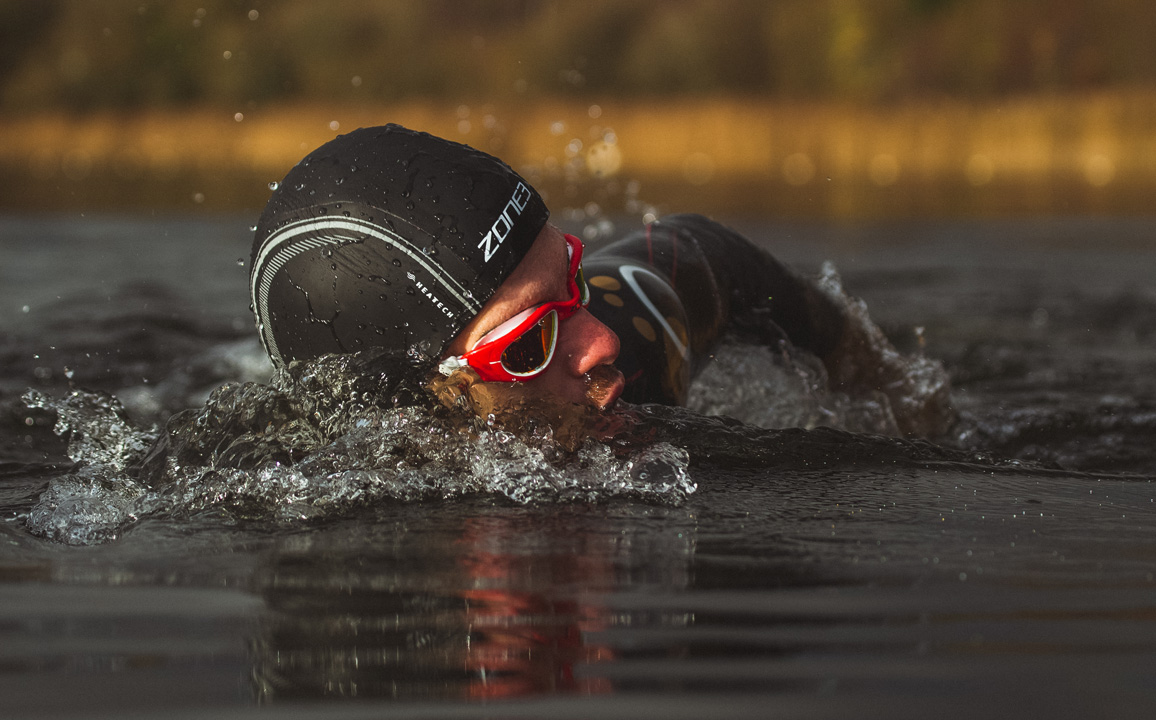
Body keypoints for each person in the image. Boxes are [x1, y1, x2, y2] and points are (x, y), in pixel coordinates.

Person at [250, 124, 951, 437]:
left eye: (572, 283)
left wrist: (899, 401)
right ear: (408, 408)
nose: (602, 343)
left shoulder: (649, 332)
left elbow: (705, 250)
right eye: (531, 342)